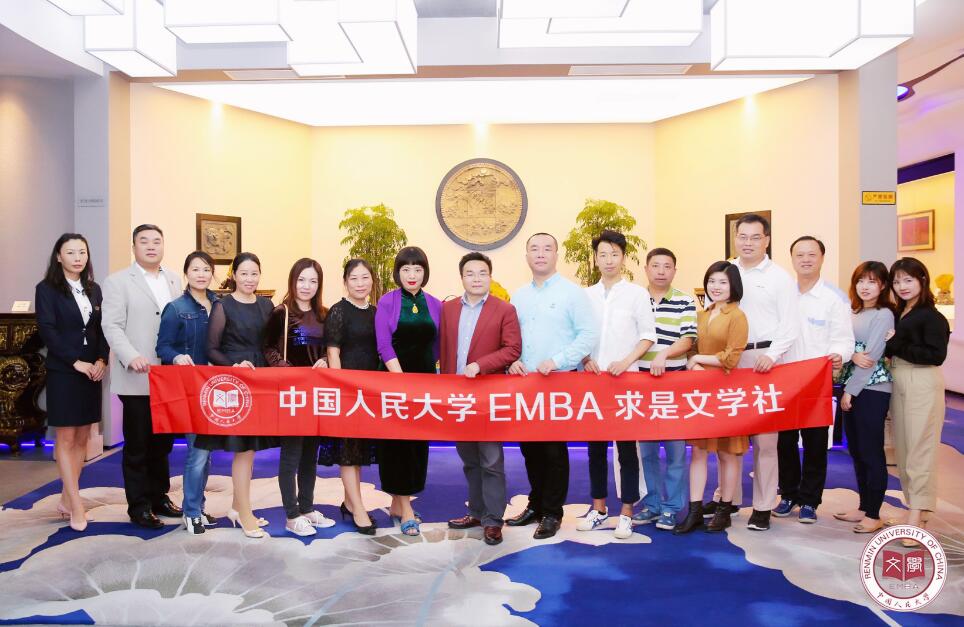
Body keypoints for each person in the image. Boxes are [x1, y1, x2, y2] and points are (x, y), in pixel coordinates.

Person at [706, 213, 800, 532]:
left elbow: (790, 325)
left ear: (767, 240)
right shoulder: (725, 271)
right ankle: (727, 498)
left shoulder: (779, 278)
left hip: (764, 361)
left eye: (755, 237)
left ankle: (762, 505)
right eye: (742, 236)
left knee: (765, 441)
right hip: (728, 362)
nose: (748, 243)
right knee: (727, 437)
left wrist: (772, 356)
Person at [506, 233, 598, 540]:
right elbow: (510, 338)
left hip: (557, 381)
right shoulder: (519, 296)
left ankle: (552, 512)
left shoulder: (572, 293)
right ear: (527, 257)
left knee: (553, 450)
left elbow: (587, 335)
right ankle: (535, 504)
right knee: (529, 449)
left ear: (556, 255)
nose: (541, 254)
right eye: (534, 249)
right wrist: (512, 361)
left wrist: (558, 360)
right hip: (525, 383)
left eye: (547, 248)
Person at [101, 224, 182, 529]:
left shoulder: (174, 279)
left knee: (163, 443)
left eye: (156, 241)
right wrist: (130, 355)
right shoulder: (118, 281)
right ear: (134, 247)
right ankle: (139, 505)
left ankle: (159, 497)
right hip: (137, 374)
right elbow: (111, 325)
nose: (151, 246)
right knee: (138, 443)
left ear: (163, 245)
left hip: (169, 376)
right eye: (144, 241)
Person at [194, 252, 278, 538]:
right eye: (244, 273)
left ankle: (236, 507)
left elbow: (272, 344)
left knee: (251, 449)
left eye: (254, 273)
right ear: (234, 275)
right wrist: (234, 365)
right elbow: (211, 349)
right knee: (243, 449)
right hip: (236, 384)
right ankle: (244, 513)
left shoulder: (267, 305)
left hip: (260, 381)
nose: (249, 279)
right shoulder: (223, 306)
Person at [578, 230, 656, 539]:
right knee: (595, 450)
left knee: (626, 451)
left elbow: (647, 336)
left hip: (625, 382)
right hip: (593, 383)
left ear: (623, 258)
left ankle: (626, 512)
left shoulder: (636, 294)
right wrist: (585, 358)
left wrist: (625, 361)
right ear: (595, 259)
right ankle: (598, 509)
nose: (609, 260)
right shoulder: (585, 295)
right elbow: (578, 335)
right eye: (603, 254)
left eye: (614, 254)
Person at [442, 252, 522, 546]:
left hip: (488, 395)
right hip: (458, 397)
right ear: (461, 277)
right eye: (470, 273)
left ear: (490, 276)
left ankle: (493, 520)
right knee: (469, 459)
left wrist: (481, 365)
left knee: (491, 460)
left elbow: (512, 349)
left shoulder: (505, 309)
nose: (476, 279)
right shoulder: (448, 309)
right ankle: (476, 512)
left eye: (482, 273)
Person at [775, 237, 854, 523]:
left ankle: (810, 500)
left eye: (811, 254)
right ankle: (788, 494)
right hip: (783, 380)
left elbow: (845, 339)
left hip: (816, 381)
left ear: (822, 258)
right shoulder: (783, 294)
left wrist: (838, 355)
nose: (805, 259)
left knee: (816, 442)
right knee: (784, 442)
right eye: (800, 255)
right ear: (792, 259)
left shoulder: (834, 298)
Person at [35, 233, 109, 532]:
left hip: (92, 370)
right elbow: (47, 331)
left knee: (82, 437)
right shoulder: (46, 289)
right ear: (58, 256)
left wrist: (102, 359)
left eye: (82, 252)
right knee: (66, 438)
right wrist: (74, 362)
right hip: (65, 371)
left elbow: (102, 329)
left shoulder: (93, 288)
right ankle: (76, 505)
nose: (78, 257)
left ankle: (68, 498)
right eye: (71, 252)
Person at [674, 261, 749, 534]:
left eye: (722, 282)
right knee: (698, 452)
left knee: (728, 454)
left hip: (726, 393)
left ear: (733, 286)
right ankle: (694, 511)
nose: (716, 287)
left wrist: (698, 359)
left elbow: (731, 357)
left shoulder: (737, 316)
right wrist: (693, 361)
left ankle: (724, 510)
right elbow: (690, 347)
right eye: (712, 281)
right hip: (701, 394)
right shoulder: (701, 315)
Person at [263, 258, 336, 537]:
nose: (307, 286)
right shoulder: (280, 313)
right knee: (291, 455)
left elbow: (330, 348)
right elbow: (267, 347)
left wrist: (326, 360)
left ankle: (307, 508)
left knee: (309, 455)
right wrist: (284, 368)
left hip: (316, 393)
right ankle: (292, 515)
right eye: (302, 280)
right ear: (293, 281)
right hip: (292, 394)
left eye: (313, 281)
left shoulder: (324, 315)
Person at [374, 246, 442, 537]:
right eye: (405, 269)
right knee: (396, 447)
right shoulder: (387, 301)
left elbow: (438, 344)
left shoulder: (435, 304)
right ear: (397, 272)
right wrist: (402, 381)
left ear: (425, 272)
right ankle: (407, 511)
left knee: (416, 447)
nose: (412, 275)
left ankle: (396, 505)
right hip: (393, 383)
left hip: (423, 385)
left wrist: (431, 377)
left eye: (417, 269)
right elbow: (383, 344)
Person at [884, 257, 950, 541]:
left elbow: (935, 355)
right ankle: (917, 510)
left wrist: (895, 343)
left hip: (921, 382)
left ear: (922, 280)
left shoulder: (930, 316)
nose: (902, 286)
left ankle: (916, 518)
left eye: (908, 280)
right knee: (904, 449)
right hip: (899, 380)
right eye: (897, 281)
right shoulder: (902, 311)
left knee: (919, 451)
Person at [156, 251, 219, 534]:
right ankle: (191, 511)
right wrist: (177, 356)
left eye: (206, 269)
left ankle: (199, 507)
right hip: (191, 389)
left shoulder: (220, 305)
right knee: (198, 451)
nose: (201, 274)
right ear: (186, 273)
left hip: (216, 389)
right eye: (195, 269)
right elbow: (162, 347)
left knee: (207, 452)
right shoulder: (176, 308)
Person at [636, 247, 697, 529]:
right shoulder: (636, 299)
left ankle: (672, 508)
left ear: (674, 270)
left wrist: (664, 354)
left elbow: (688, 339)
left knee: (675, 450)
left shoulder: (684, 300)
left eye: (667, 266)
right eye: (656, 265)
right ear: (646, 269)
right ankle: (652, 505)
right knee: (646, 451)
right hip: (640, 383)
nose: (661, 271)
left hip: (674, 382)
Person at [833, 261, 894, 534]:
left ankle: (874, 513)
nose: (865, 286)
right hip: (852, 385)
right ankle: (863, 505)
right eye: (860, 281)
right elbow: (847, 347)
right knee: (856, 451)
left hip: (872, 389)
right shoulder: (854, 311)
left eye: (872, 281)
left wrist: (850, 391)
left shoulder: (884, 314)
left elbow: (872, 356)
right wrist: (851, 355)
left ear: (883, 285)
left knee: (871, 451)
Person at [322, 259, 380, 535]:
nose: (360, 283)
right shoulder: (338, 311)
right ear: (345, 282)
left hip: (369, 392)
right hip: (347, 391)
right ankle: (358, 509)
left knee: (358, 451)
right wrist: (341, 388)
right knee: (347, 452)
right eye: (354, 278)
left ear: (372, 280)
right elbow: (333, 353)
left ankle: (349, 502)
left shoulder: (376, 312)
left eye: (365, 277)